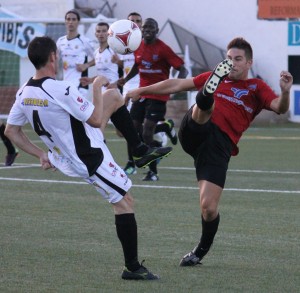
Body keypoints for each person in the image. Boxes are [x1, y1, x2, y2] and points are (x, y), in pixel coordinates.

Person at [4, 36, 174, 280]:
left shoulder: (23, 92)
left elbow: (12, 131)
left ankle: (138, 150)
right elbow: (95, 119)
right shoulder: (60, 89)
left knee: (114, 96)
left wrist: (42, 154)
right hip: (87, 156)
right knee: (124, 202)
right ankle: (132, 267)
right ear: (54, 56)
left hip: (74, 147)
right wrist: (96, 86)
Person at [125, 37, 293, 265]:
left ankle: (200, 250)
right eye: (229, 58)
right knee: (205, 106)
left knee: (209, 208)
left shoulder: (256, 87)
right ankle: (206, 96)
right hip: (196, 129)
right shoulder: (217, 76)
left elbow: (279, 108)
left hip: (218, 147)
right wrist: (141, 90)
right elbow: (175, 84)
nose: (232, 62)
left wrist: (285, 92)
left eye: (238, 59)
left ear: (249, 63)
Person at [119, 17, 188, 181]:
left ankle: (153, 172)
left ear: (157, 31)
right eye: (145, 28)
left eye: (151, 28)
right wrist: (126, 80)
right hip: (142, 93)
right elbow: (138, 64)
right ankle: (165, 128)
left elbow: (182, 69)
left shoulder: (163, 49)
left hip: (159, 95)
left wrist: (178, 86)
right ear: (142, 30)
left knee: (147, 132)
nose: (147, 30)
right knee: (133, 129)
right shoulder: (138, 46)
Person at [56, 9, 95, 98]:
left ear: (78, 22)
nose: (71, 22)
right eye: (68, 19)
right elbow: (55, 59)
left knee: (78, 111)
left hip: (81, 85)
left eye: (74, 19)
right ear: (65, 21)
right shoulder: (60, 41)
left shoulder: (85, 41)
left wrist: (86, 65)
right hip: (66, 84)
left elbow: (98, 57)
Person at [80, 22, 121, 90]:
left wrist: (116, 84)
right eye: (98, 31)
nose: (101, 34)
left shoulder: (114, 50)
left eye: (104, 31)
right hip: (100, 91)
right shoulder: (96, 52)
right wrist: (90, 80)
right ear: (95, 34)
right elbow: (102, 75)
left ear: (109, 33)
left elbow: (125, 68)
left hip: (112, 91)